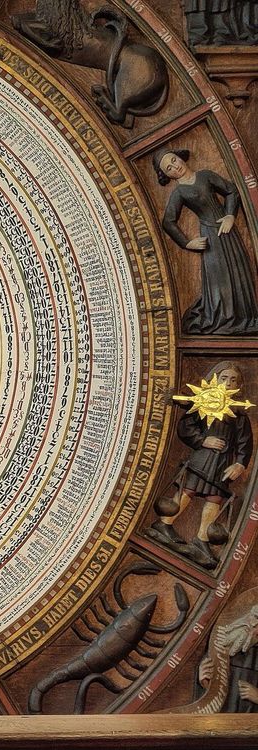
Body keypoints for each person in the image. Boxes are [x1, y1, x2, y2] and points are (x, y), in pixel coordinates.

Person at [148, 362, 253, 569]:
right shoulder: (202, 404)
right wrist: (202, 440)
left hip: (222, 463)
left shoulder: (239, 414)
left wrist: (240, 464)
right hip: (202, 458)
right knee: (189, 489)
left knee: (215, 497)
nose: (228, 383)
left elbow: (245, 442)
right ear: (215, 378)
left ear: (238, 385)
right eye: (224, 378)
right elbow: (185, 426)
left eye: (233, 380)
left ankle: (201, 539)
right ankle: (165, 524)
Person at [153, 148, 258, 336]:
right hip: (209, 237)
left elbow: (231, 190)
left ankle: (246, 317)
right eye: (169, 168)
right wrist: (187, 243)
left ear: (180, 157)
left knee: (238, 269)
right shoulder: (179, 192)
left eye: (174, 160)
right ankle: (225, 319)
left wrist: (229, 216)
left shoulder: (205, 175)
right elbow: (168, 222)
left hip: (225, 228)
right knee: (220, 278)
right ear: (167, 175)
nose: (175, 167)